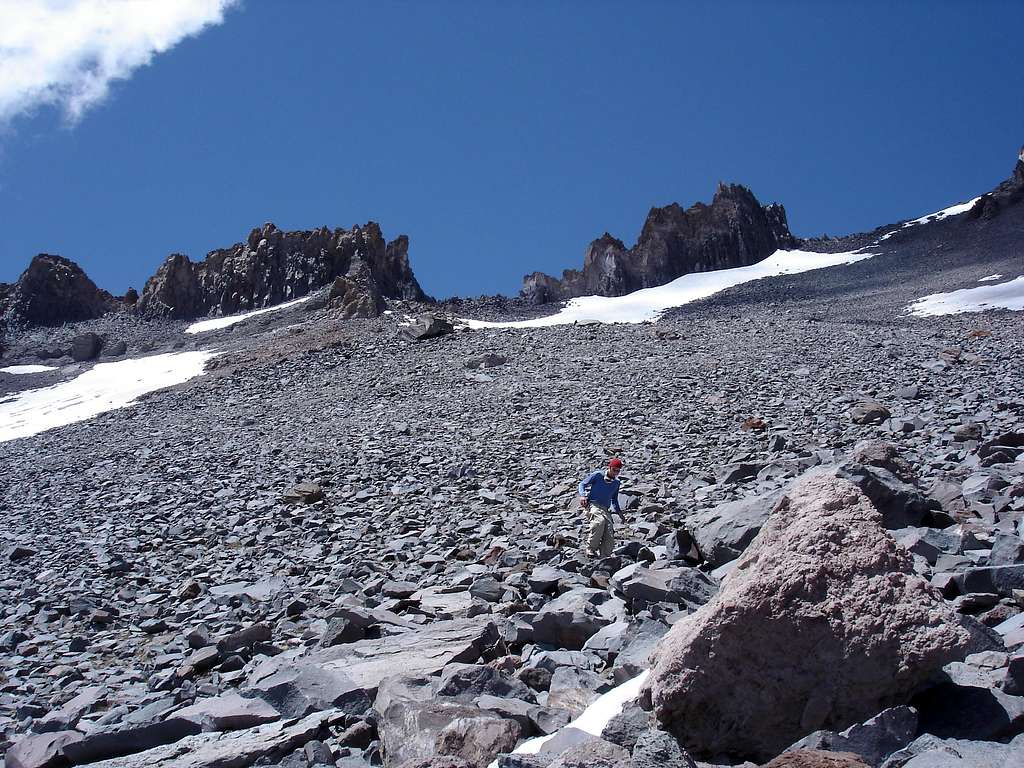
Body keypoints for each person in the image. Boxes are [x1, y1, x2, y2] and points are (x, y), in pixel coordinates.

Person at [578, 458, 624, 558]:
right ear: (610, 467)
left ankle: (604, 556)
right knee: (599, 522)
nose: (616, 472)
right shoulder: (598, 475)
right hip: (593, 505)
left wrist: (619, 512)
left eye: (618, 470)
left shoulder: (616, 483)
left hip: (605, 509)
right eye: (614, 469)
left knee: (609, 531)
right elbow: (582, 484)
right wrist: (582, 495)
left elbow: (614, 499)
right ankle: (590, 548)